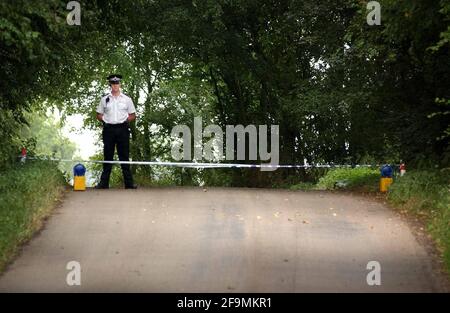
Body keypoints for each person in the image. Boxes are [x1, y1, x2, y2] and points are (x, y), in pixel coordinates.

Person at [95, 74, 137, 189]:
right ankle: (104, 183)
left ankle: (129, 184)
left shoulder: (127, 99)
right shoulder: (105, 99)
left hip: (122, 130)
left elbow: (133, 115)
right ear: (110, 85)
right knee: (108, 155)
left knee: (124, 155)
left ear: (120, 84)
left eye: (117, 83)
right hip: (109, 129)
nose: (115, 85)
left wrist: (124, 121)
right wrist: (105, 120)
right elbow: (98, 114)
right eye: (113, 83)